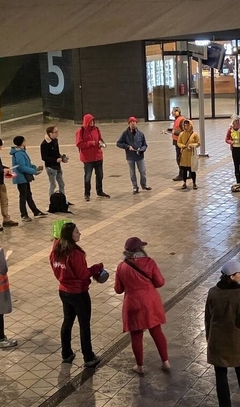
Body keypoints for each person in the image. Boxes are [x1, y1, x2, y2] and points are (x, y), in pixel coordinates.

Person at [49, 222, 104, 366]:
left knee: (67, 321)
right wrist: (97, 268)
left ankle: (66, 353)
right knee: (84, 325)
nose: (80, 234)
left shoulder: (56, 250)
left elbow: (55, 267)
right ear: (70, 235)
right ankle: (89, 357)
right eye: (76, 232)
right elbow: (82, 274)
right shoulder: (75, 253)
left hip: (63, 291)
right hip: (78, 293)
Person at [114, 237, 169, 375]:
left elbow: (118, 289)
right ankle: (165, 362)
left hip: (132, 303)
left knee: (136, 335)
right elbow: (160, 282)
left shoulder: (122, 266)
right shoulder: (149, 262)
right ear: (140, 249)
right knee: (156, 331)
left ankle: (139, 366)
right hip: (150, 302)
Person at [205, 260, 240, 407]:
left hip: (218, 339)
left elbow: (208, 317)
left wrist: (209, 336)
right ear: (232, 277)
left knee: (220, 374)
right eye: (239, 272)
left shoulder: (213, 292)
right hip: (236, 339)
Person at [10, 135, 46, 221]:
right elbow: (21, 167)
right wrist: (33, 171)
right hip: (21, 178)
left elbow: (27, 164)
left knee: (28, 195)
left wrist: (34, 168)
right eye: (25, 140)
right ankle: (24, 214)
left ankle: (35, 212)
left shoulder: (21, 151)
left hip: (24, 177)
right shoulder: (19, 153)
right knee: (23, 196)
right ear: (22, 142)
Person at [75, 113, 109, 200]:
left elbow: (100, 139)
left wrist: (102, 143)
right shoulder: (81, 131)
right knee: (87, 177)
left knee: (100, 175)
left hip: (98, 157)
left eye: (93, 121)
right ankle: (87, 194)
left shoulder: (96, 129)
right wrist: (90, 143)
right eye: (90, 121)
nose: (92, 123)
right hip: (87, 158)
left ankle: (99, 191)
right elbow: (79, 143)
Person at [116, 116, 150, 194]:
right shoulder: (125, 134)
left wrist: (141, 150)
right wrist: (127, 147)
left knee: (142, 171)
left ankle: (144, 185)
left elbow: (145, 145)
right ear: (129, 124)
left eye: (134, 122)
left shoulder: (140, 134)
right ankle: (135, 187)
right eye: (131, 122)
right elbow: (118, 143)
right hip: (130, 157)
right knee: (132, 173)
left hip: (139, 156)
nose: (133, 124)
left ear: (136, 123)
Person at [40, 126, 66, 198]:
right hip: (51, 167)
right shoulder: (44, 144)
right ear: (50, 133)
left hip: (57, 166)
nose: (57, 133)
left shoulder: (55, 140)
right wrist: (55, 160)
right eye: (56, 132)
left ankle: (63, 199)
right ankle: (52, 200)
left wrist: (61, 157)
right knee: (53, 184)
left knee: (61, 184)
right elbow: (44, 157)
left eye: (58, 131)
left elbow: (56, 153)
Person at [176, 119, 201, 190]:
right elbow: (178, 142)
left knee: (192, 170)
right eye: (185, 125)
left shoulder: (194, 134)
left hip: (191, 155)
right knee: (184, 170)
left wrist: (192, 145)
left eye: (187, 125)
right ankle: (184, 183)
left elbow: (198, 143)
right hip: (184, 154)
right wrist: (182, 146)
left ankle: (194, 183)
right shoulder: (181, 134)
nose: (186, 127)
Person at [169, 107, 185, 180]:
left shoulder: (181, 119)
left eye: (175, 111)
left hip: (180, 141)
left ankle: (181, 174)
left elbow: (183, 130)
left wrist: (174, 132)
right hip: (177, 141)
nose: (173, 113)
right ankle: (186, 173)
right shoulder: (178, 119)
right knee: (181, 158)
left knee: (180, 158)